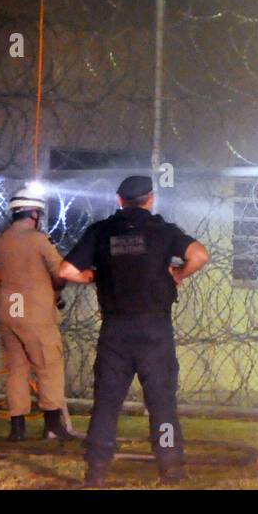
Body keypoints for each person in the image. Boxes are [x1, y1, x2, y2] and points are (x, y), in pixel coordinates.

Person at [58, 175, 209, 487]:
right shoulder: (163, 232)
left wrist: (94, 277)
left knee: (107, 402)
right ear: (150, 199)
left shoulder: (101, 232)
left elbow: (66, 270)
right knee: (162, 402)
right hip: (154, 329)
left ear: (119, 200)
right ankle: (170, 468)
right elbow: (200, 255)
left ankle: (96, 471)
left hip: (116, 329)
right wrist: (178, 273)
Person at [0, 187, 89, 441]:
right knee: (49, 365)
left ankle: (17, 429)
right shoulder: (39, 240)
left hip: (8, 309)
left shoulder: (1, 239)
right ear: (34, 213)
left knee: (16, 369)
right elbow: (59, 274)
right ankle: (52, 426)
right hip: (35, 312)